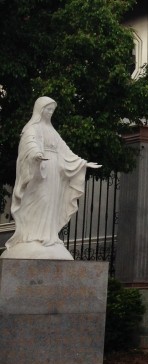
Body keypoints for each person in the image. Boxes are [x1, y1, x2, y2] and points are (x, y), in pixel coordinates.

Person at [2, 96, 100, 260]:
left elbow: (65, 150)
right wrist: (36, 153)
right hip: (40, 170)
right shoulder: (32, 128)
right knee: (41, 200)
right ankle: (32, 235)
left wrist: (82, 163)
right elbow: (29, 143)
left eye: (52, 110)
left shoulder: (52, 131)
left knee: (52, 202)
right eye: (47, 109)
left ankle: (49, 236)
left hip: (54, 171)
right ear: (40, 110)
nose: (50, 112)